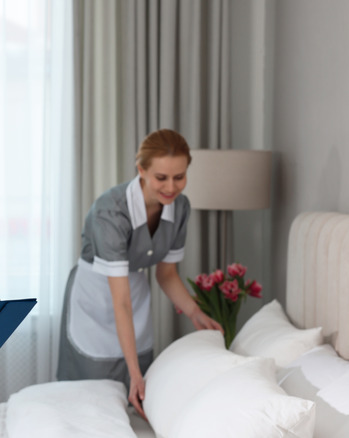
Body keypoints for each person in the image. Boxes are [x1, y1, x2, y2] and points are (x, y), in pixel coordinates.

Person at [56, 129, 221, 419]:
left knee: (136, 400)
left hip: (133, 296)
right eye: (161, 177)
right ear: (141, 170)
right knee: (91, 400)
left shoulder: (180, 207)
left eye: (179, 176)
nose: (171, 187)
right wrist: (135, 373)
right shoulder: (111, 211)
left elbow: (166, 274)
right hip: (97, 298)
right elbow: (120, 302)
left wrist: (196, 314)